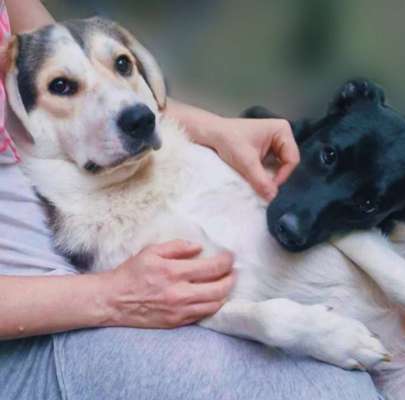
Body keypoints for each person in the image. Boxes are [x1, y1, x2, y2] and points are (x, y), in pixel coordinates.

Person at [0, 1, 382, 399]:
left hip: (101, 243)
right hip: (38, 338)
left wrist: (217, 128)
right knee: (335, 390)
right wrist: (111, 296)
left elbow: (57, 53)